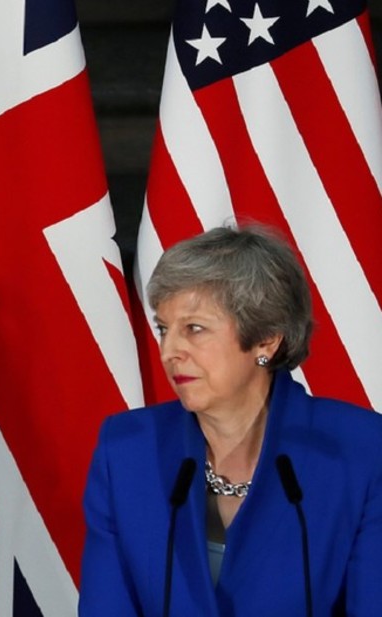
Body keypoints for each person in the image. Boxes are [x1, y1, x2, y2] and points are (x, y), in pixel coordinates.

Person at [80, 224, 382, 615]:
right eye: (164, 329)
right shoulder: (126, 451)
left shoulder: (361, 450)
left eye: (194, 329)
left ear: (265, 340)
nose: (170, 351)